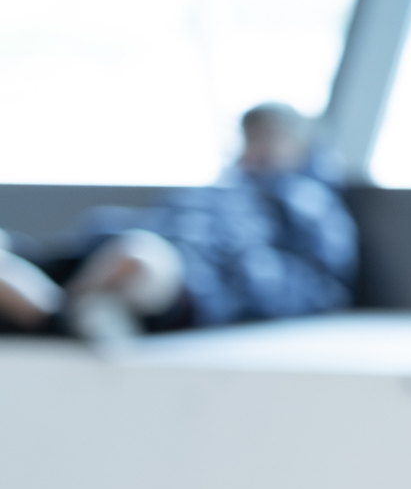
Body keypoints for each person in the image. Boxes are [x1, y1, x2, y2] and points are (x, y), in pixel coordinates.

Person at [0, 103, 357, 344]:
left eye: (271, 138)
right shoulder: (218, 191)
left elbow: (320, 283)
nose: (259, 149)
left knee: (138, 256)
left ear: (300, 145)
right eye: (252, 138)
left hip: (183, 276)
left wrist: (247, 284)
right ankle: (66, 318)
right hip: (106, 257)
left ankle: (58, 313)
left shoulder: (309, 204)